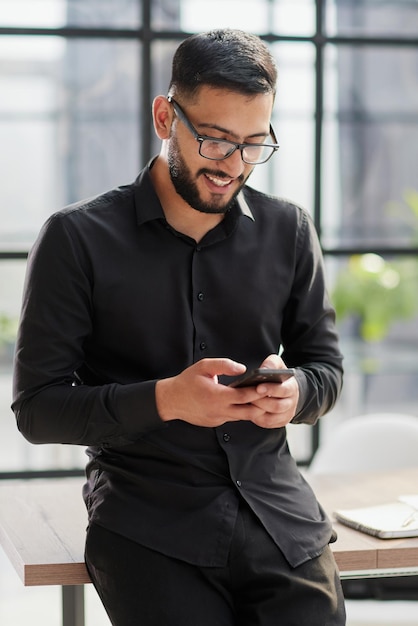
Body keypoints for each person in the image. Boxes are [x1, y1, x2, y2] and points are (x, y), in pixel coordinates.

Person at [12, 28, 346, 626]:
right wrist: (167, 400)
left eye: (253, 144)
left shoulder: (289, 230)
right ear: (167, 116)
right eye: (215, 141)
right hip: (148, 524)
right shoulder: (76, 238)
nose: (233, 166)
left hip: (279, 518)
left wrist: (296, 392)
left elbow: (326, 370)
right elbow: (37, 409)